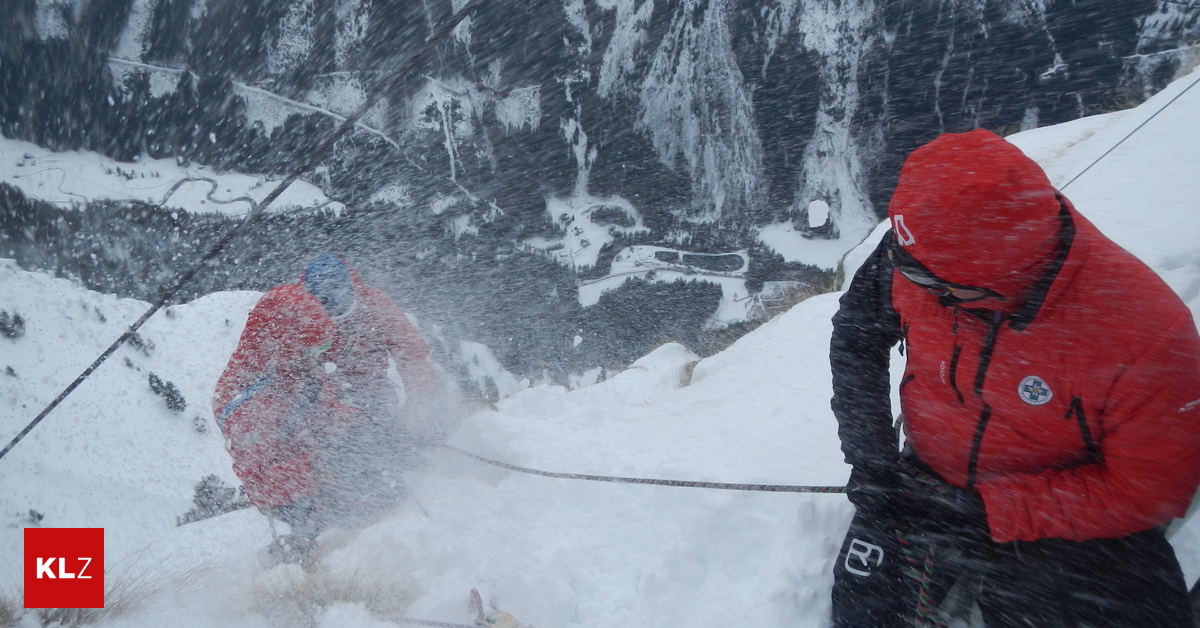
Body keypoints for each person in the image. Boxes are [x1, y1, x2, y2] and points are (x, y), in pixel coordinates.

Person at [829, 129, 1200, 627]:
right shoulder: (922, 253)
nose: (912, 284)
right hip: (924, 484)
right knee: (866, 615)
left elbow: (1148, 492)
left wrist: (997, 509)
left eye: (936, 285)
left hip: (1064, 511)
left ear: (1000, 281)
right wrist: (873, 464)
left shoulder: (1147, 336)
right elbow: (857, 336)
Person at [213, 255, 441, 564]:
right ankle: (340, 532)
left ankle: (381, 504)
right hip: (316, 398)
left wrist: (420, 408)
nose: (335, 331)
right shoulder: (290, 328)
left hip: (365, 391)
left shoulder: (375, 306)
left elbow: (412, 355)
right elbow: (285, 417)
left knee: (378, 451)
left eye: (342, 316)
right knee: (341, 465)